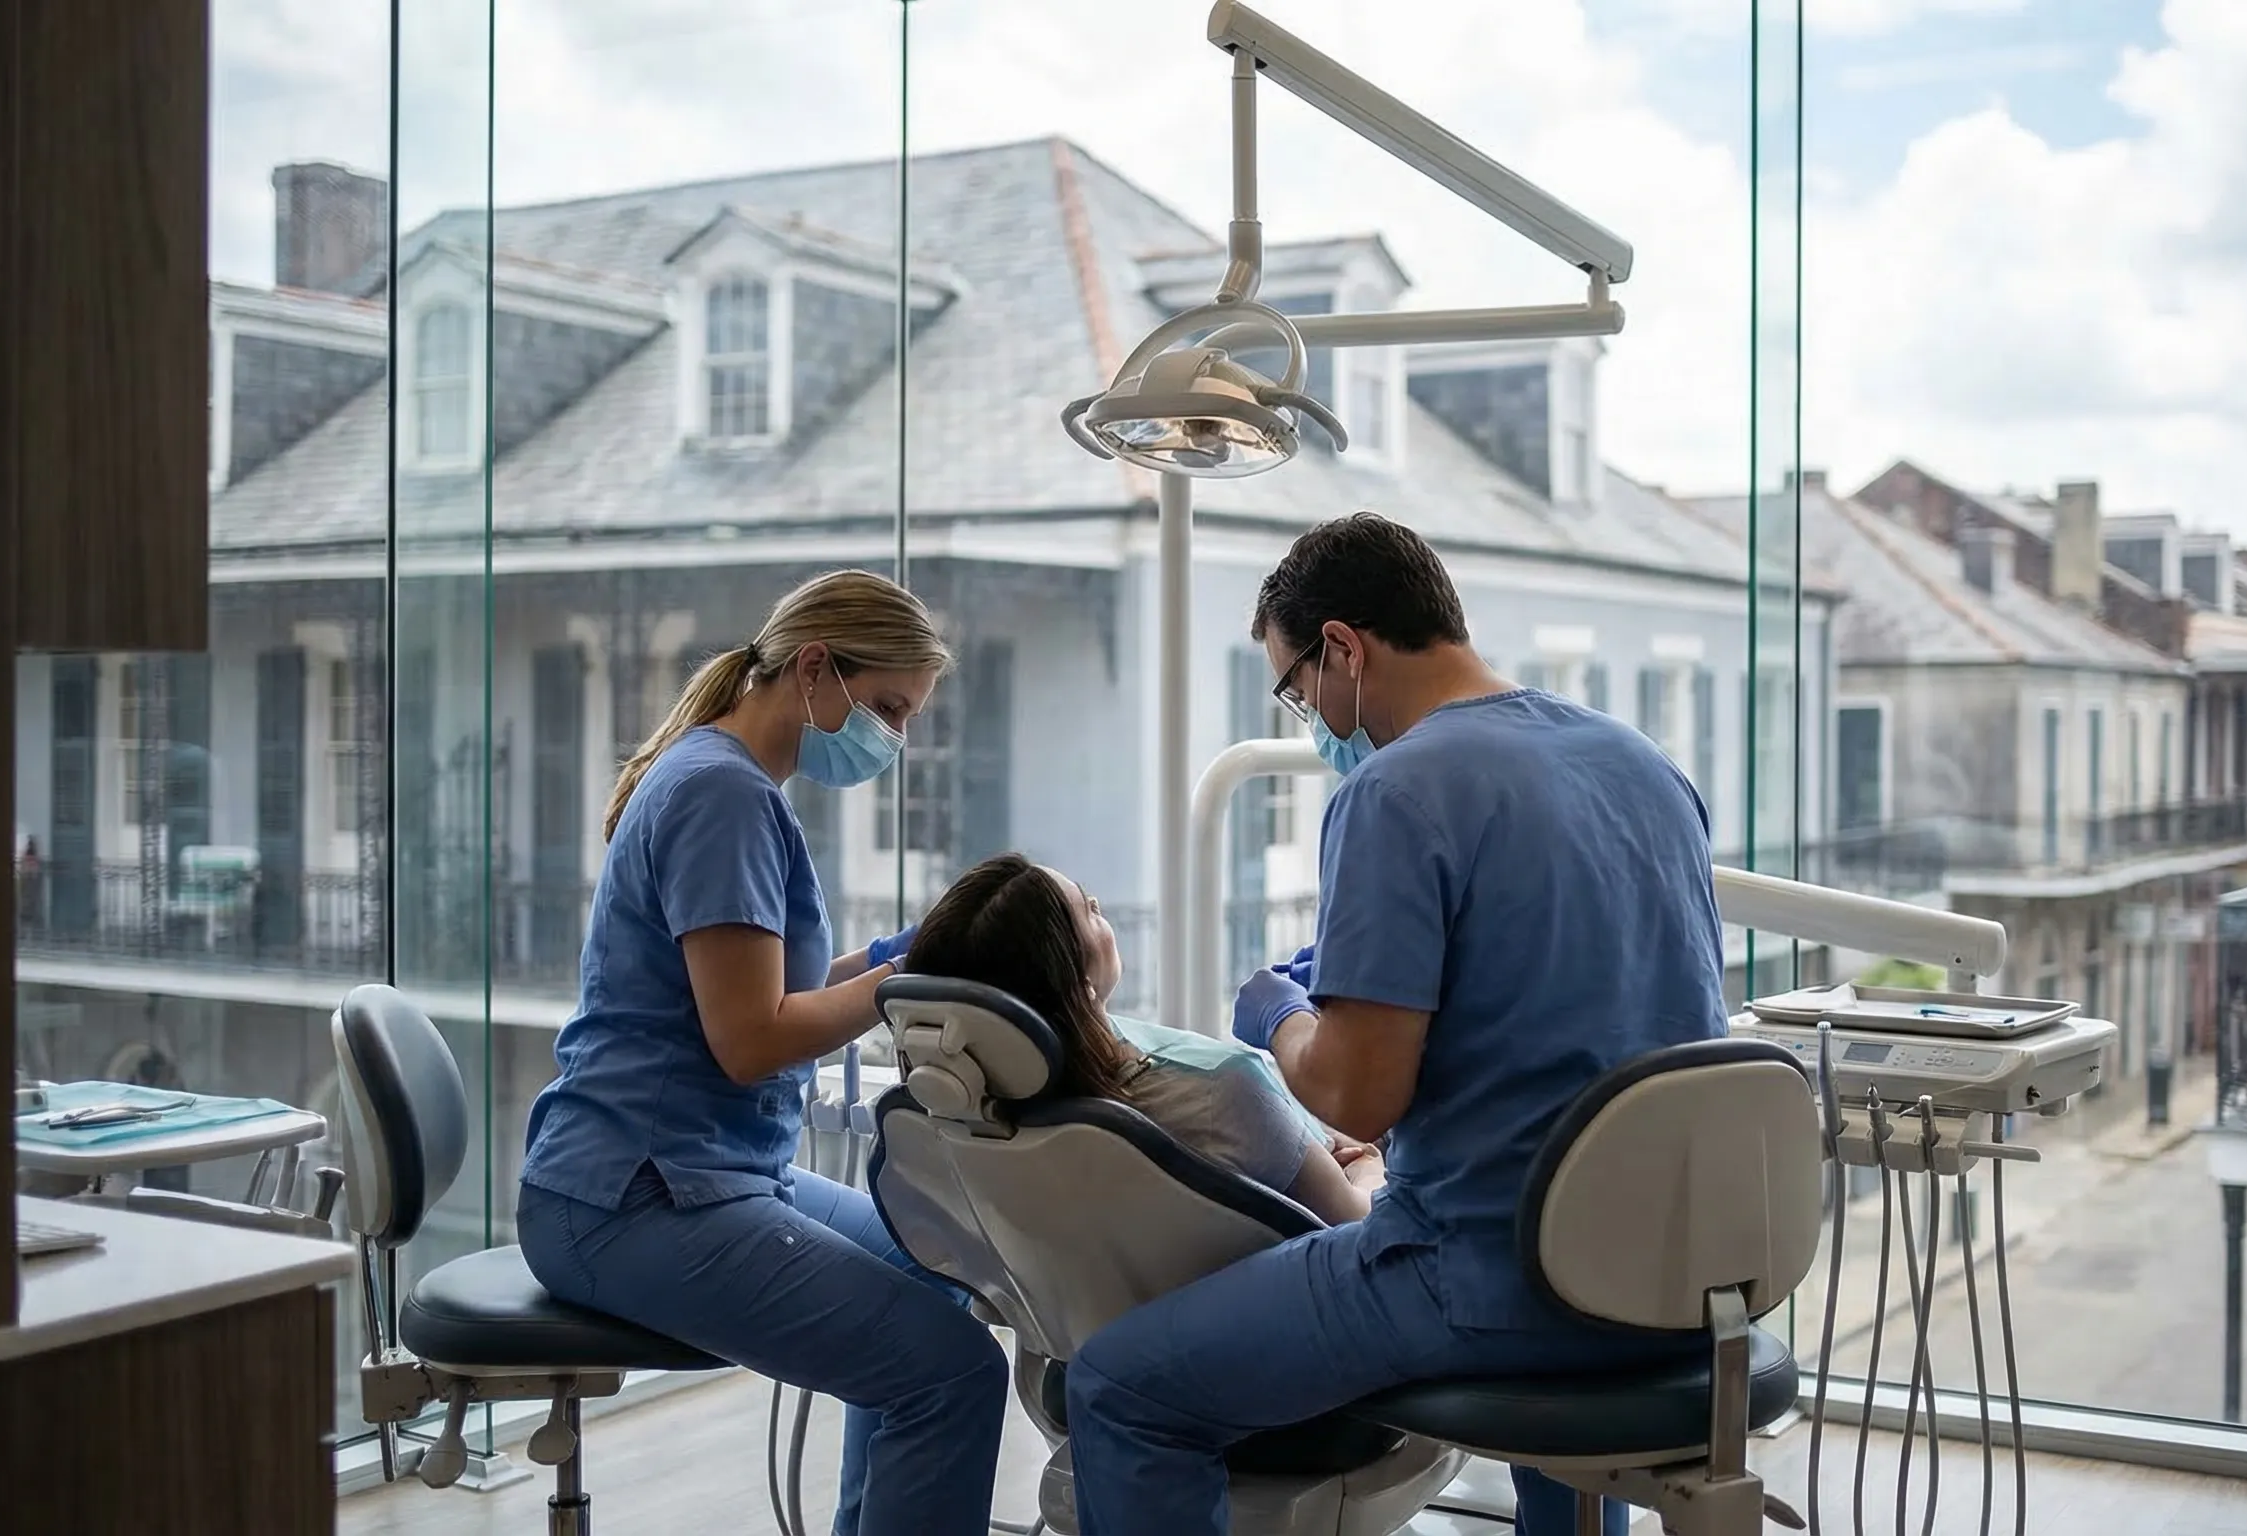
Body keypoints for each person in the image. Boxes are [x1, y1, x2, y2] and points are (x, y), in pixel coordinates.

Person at [1063, 513, 1729, 1536]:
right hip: (1668, 1278)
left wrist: (1283, 1014)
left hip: (1482, 1285)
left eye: (1296, 688)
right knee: (1566, 1410)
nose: (1309, 719)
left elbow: (1359, 1093)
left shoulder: (1395, 790)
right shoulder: (1642, 766)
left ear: (1342, 648)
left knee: (1119, 1388)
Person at [513, 568, 1006, 1536]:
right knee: (948, 1376)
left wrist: (916, 948)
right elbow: (749, 1042)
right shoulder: (721, 797)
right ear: (815, 669)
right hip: (626, 1200)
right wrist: (897, 985)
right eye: (888, 710)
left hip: (710, 1171)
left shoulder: (728, 782)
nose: (894, 742)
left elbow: (773, 993)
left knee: (940, 1272)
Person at [900, 852, 1386, 1226]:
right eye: (1086, 912)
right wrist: (1367, 1163)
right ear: (1077, 986)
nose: (1099, 905)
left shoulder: (994, 1110)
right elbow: (1357, 1224)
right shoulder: (1225, 1094)